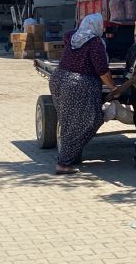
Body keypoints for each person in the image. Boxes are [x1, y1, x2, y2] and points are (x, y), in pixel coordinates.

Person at [49, 13, 116, 175]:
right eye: (101, 26)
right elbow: (102, 71)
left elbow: (66, 34)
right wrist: (113, 88)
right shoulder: (95, 43)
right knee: (89, 120)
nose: (103, 28)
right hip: (78, 85)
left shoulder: (73, 37)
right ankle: (63, 163)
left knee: (68, 121)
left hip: (58, 79)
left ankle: (66, 157)